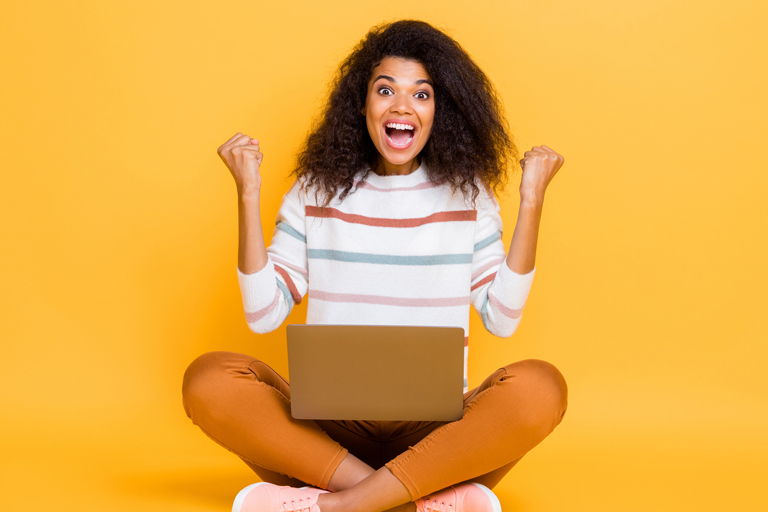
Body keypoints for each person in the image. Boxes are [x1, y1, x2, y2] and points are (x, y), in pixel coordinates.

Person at [182, 19, 567, 512]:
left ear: (440, 111)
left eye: (421, 95)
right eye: (385, 90)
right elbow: (263, 313)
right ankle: (409, 499)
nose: (402, 106)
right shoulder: (315, 190)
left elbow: (502, 316)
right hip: (326, 439)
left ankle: (331, 506)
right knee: (209, 379)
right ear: (361, 104)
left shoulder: (470, 196)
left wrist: (531, 200)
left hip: (436, 437)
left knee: (541, 388)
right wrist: (247, 193)